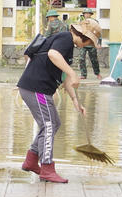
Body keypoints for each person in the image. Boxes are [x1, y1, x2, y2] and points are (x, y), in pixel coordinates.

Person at [16, 18, 99, 183]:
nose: (88, 45)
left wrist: (76, 101)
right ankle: (47, 168)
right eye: (90, 41)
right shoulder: (65, 38)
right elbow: (52, 55)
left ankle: (31, 160)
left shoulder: (67, 46)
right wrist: (73, 73)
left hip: (37, 89)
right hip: (36, 89)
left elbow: (65, 76)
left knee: (54, 123)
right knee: (48, 125)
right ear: (84, 36)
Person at [74, 8, 101, 79]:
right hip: (83, 43)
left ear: (91, 14)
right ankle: (83, 74)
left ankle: (97, 73)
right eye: (85, 13)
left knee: (94, 59)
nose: (87, 15)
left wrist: (99, 43)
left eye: (88, 13)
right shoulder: (81, 22)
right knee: (81, 59)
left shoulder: (95, 22)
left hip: (91, 43)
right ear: (83, 15)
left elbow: (98, 32)